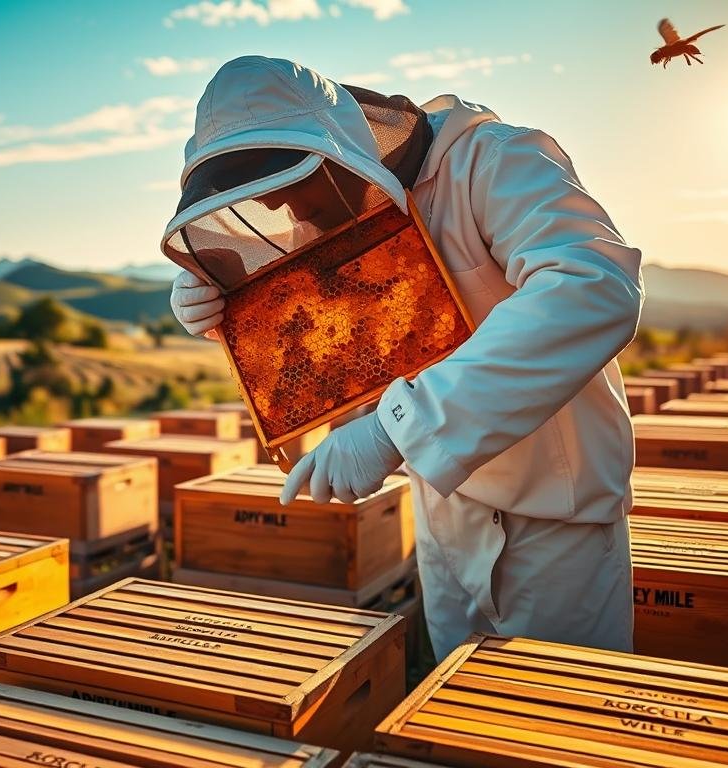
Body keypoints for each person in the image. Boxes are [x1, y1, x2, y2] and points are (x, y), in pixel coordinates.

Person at [164, 56, 643, 662]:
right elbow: (324, 339)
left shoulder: (494, 160)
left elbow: (592, 285)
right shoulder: (339, 209)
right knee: (455, 728)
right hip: (443, 518)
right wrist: (224, 307)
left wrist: (398, 428)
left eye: (293, 188)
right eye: (272, 201)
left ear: (334, 146)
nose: (292, 214)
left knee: (561, 731)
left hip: (555, 525)